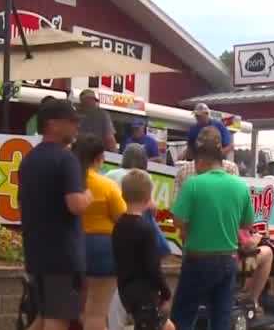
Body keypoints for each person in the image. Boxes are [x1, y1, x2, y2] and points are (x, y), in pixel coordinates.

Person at [170, 126, 254, 330]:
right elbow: (246, 224)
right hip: (227, 258)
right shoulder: (239, 186)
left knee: (183, 314)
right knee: (221, 317)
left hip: (197, 258)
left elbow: (178, 221)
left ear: (200, 161)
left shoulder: (193, 184)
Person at [19, 98, 91, 330]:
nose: (76, 127)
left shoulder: (29, 160)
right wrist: (88, 195)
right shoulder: (66, 159)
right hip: (62, 256)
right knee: (57, 319)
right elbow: (75, 204)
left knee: (43, 317)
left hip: (36, 253)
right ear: (53, 124)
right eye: (72, 121)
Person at [105, 144, 171, 330]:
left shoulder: (118, 226)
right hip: (145, 291)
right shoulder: (145, 228)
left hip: (124, 287)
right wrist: (165, 292)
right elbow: (152, 266)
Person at [75, 135, 127, 330]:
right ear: (99, 157)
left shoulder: (68, 182)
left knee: (76, 310)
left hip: (71, 247)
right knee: (97, 311)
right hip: (103, 249)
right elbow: (122, 218)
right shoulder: (107, 185)